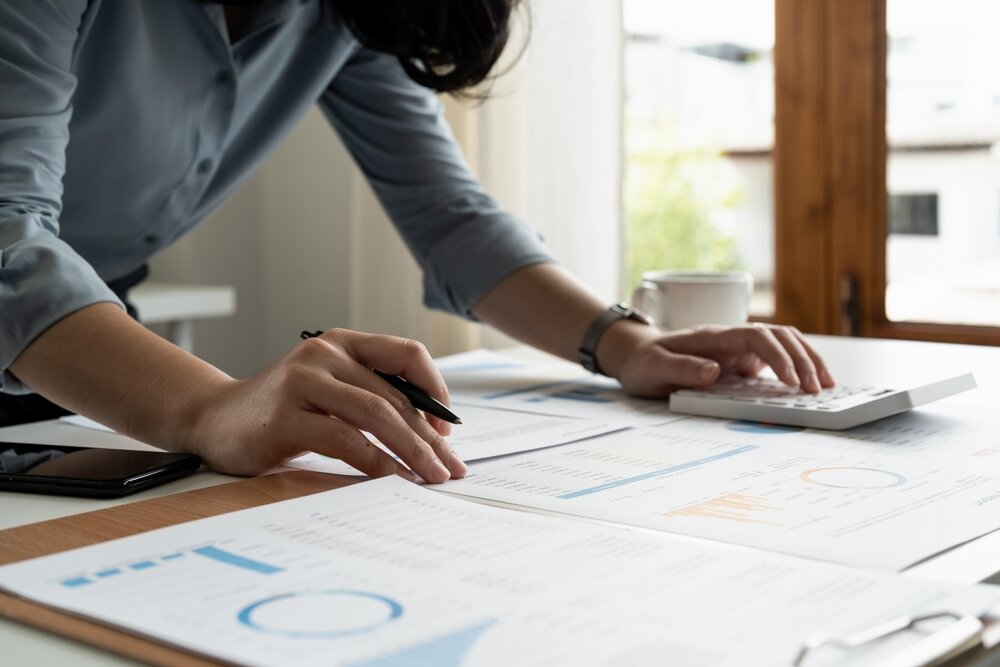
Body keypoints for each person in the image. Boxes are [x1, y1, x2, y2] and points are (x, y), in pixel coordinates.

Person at [0, 0, 834, 484]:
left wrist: (624, 342)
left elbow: (449, 214)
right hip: (63, 330)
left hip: (76, 350)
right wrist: (211, 404)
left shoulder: (344, 13)